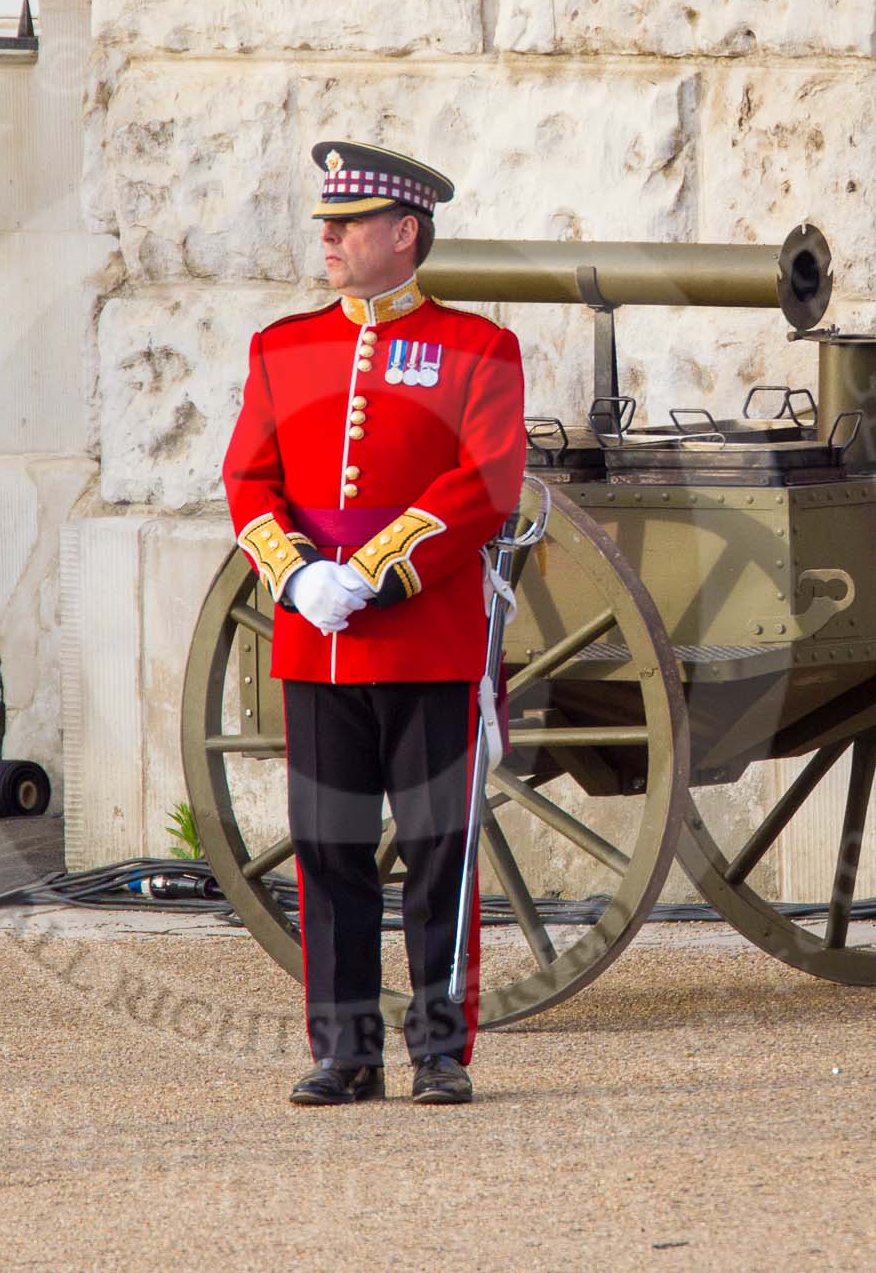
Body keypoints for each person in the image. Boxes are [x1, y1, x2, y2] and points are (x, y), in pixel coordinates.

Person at [221, 142, 527, 1106]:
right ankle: (345, 1051)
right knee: (328, 848)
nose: (328, 237)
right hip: (319, 637)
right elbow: (247, 478)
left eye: (347, 224)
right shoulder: (282, 347)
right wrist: (297, 574)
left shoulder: (481, 349)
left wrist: (377, 571)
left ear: (405, 234)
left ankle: (439, 1050)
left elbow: (486, 482)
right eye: (327, 222)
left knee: (440, 847)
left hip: (429, 632)